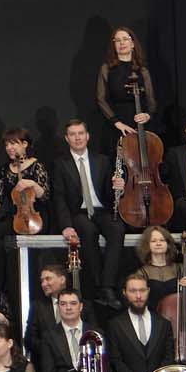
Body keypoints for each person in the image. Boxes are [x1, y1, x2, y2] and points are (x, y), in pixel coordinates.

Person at [52, 120, 128, 302]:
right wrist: (66, 226)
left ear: (87, 136)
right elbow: (59, 197)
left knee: (117, 228)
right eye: (72, 134)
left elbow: (109, 195)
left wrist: (119, 187)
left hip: (102, 210)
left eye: (80, 133)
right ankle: (98, 286)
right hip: (78, 212)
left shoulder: (102, 160)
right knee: (88, 231)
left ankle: (107, 286)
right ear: (67, 138)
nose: (77, 138)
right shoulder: (60, 164)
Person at [0, 128, 51, 287]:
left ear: (25, 144)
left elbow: (45, 195)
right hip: (16, 216)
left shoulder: (37, 165)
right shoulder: (5, 169)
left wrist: (32, 184)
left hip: (36, 217)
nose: (9, 148)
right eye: (7, 144)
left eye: (13, 143)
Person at [96, 25, 158, 142]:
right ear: (114, 45)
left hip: (141, 124)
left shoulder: (142, 70)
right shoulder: (107, 69)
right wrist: (117, 123)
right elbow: (101, 99)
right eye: (117, 40)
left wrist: (148, 115)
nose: (122, 43)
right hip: (116, 125)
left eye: (125, 39)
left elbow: (151, 99)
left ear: (132, 44)